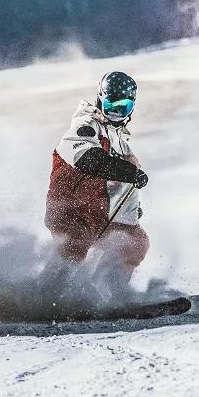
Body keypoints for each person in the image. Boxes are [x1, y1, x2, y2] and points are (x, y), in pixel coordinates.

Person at [44, 71, 149, 295]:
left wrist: (132, 212)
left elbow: (124, 188)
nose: (116, 113)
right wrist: (128, 172)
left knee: (135, 240)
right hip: (71, 210)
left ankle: (112, 293)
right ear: (100, 99)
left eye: (124, 107)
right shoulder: (86, 126)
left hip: (101, 214)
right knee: (74, 245)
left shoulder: (121, 143)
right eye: (111, 105)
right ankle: (47, 297)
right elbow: (87, 159)